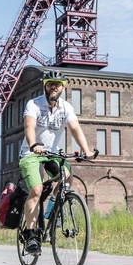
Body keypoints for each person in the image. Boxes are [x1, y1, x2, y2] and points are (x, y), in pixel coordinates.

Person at [19, 69, 98, 255]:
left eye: (57, 84)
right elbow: (29, 126)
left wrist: (86, 150)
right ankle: (31, 235)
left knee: (67, 178)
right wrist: (33, 144)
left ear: (63, 87)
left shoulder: (66, 107)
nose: (54, 87)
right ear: (44, 85)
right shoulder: (34, 104)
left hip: (52, 154)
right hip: (31, 153)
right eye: (50, 83)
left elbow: (75, 128)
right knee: (36, 190)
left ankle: (52, 213)